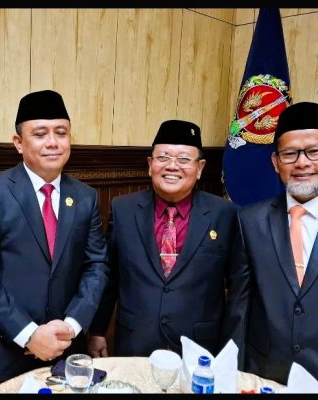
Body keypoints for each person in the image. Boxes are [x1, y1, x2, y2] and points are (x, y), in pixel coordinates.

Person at [0, 89, 109, 393]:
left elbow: (96, 266)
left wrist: (71, 326)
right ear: (18, 143)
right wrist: (29, 334)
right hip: (1, 355)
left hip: (66, 353)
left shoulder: (85, 197)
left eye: (61, 133)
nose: (53, 142)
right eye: (40, 134)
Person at [230, 101, 318, 393]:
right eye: (290, 153)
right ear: (275, 162)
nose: (302, 163)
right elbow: (240, 310)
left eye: (314, 151)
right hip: (264, 377)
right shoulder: (250, 220)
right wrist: (235, 376)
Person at [88, 120, 243, 358]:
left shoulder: (225, 214)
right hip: (135, 342)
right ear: (150, 164)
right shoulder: (123, 210)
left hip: (199, 347)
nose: (172, 166)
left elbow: (237, 287)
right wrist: (97, 330)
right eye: (163, 157)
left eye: (183, 159)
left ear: (200, 168)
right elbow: (110, 278)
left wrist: (232, 348)